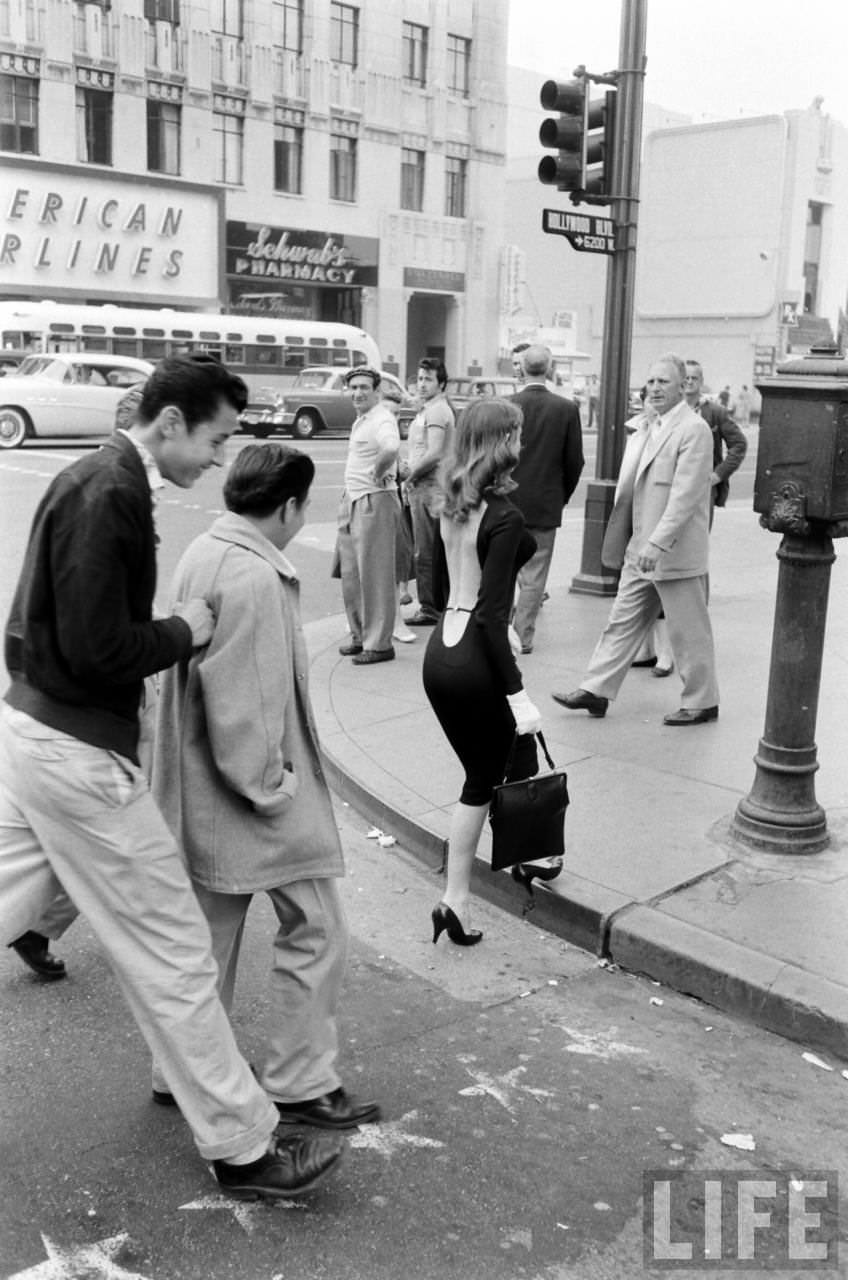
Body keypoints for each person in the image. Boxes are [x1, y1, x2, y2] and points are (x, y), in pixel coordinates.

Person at [0, 355, 343, 1198]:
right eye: (217, 439)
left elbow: (32, 627)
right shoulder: (110, 490)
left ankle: (239, 1137)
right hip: (77, 753)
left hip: (35, 731)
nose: (218, 462)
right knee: (176, 951)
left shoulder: (92, 477)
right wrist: (180, 631)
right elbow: (98, 648)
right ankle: (246, 1148)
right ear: (170, 423)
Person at [152, 443, 380, 1132]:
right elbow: (247, 705)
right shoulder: (254, 576)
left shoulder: (205, 550)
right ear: (287, 507)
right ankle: (300, 1079)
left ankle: (182, 1074)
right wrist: (271, 786)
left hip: (195, 787)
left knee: (207, 943)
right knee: (318, 928)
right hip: (248, 795)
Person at [6, 384, 148, 982]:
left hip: (61, 708)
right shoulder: (107, 492)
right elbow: (97, 635)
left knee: (55, 838)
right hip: (78, 715)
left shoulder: (97, 482)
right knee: (119, 845)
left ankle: (39, 925)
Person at [422, 399, 545, 947]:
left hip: (440, 656)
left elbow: (448, 589)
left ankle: (525, 857)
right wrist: (517, 692)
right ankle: (457, 897)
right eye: (516, 434)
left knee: (494, 766)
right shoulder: (505, 516)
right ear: (502, 443)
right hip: (476, 654)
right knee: (481, 779)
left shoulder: (452, 503)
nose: (522, 442)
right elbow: (495, 618)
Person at [552, 353, 720, 727]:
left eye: (664, 382)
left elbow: (685, 496)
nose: (655, 388)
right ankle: (595, 689)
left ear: (683, 386)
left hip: (672, 552)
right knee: (621, 621)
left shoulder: (694, 430)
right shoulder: (648, 427)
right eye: (651, 382)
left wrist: (657, 544)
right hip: (639, 549)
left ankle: (702, 701)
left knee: (688, 631)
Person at [509, 344, 584, 654]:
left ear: (523, 369)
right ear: (550, 369)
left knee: (503, 569)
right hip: (545, 504)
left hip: (508, 501)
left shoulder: (507, 405)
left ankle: (499, 631)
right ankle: (522, 635)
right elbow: (574, 462)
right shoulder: (566, 409)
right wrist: (560, 497)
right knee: (535, 575)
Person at [336, 366, 401, 665]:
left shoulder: (382, 419)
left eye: (364, 387)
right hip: (353, 500)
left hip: (374, 502)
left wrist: (378, 472)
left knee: (375, 575)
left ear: (377, 391)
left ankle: (379, 644)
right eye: (354, 388)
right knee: (351, 574)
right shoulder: (361, 420)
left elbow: (391, 447)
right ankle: (360, 635)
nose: (358, 393)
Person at [403, 357, 455, 627]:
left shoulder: (436, 412)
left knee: (426, 550)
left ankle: (430, 607)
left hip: (429, 487)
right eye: (419, 378)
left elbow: (434, 453)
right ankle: (436, 603)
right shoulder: (431, 410)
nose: (421, 384)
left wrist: (410, 475)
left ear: (441, 383)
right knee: (431, 549)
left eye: (428, 379)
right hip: (429, 486)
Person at [683, 360, 747, 521]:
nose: (689, 381)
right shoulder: (671, 410)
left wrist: (718, 475)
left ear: (701, 381)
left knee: (698, 540)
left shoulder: (715, 412)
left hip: (703, 489)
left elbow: (739, 444)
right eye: (686, 377)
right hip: (673, 485)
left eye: (694, 378)